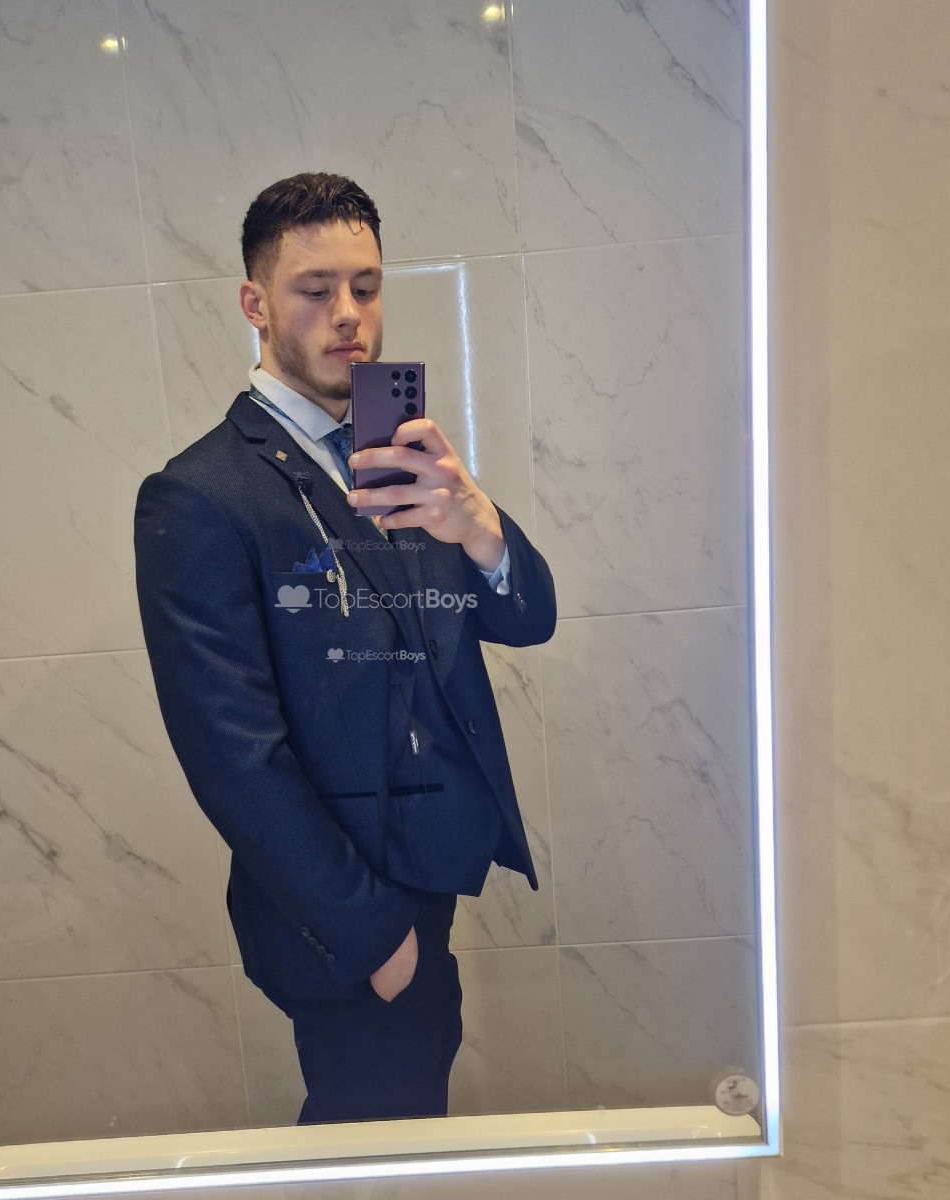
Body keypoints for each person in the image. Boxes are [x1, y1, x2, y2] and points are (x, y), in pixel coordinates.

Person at [133, 172, 556, 1124]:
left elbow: (529, 618)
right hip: (342, 911)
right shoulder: (201, 496)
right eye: (315, 289)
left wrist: (478, 525)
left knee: (396, 1135)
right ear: (254, 304)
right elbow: (232, 755)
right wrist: (375, 937)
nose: (348, 313)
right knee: (372, 1142)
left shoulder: (397, 456)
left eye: (365, 285)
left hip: (427, 874)